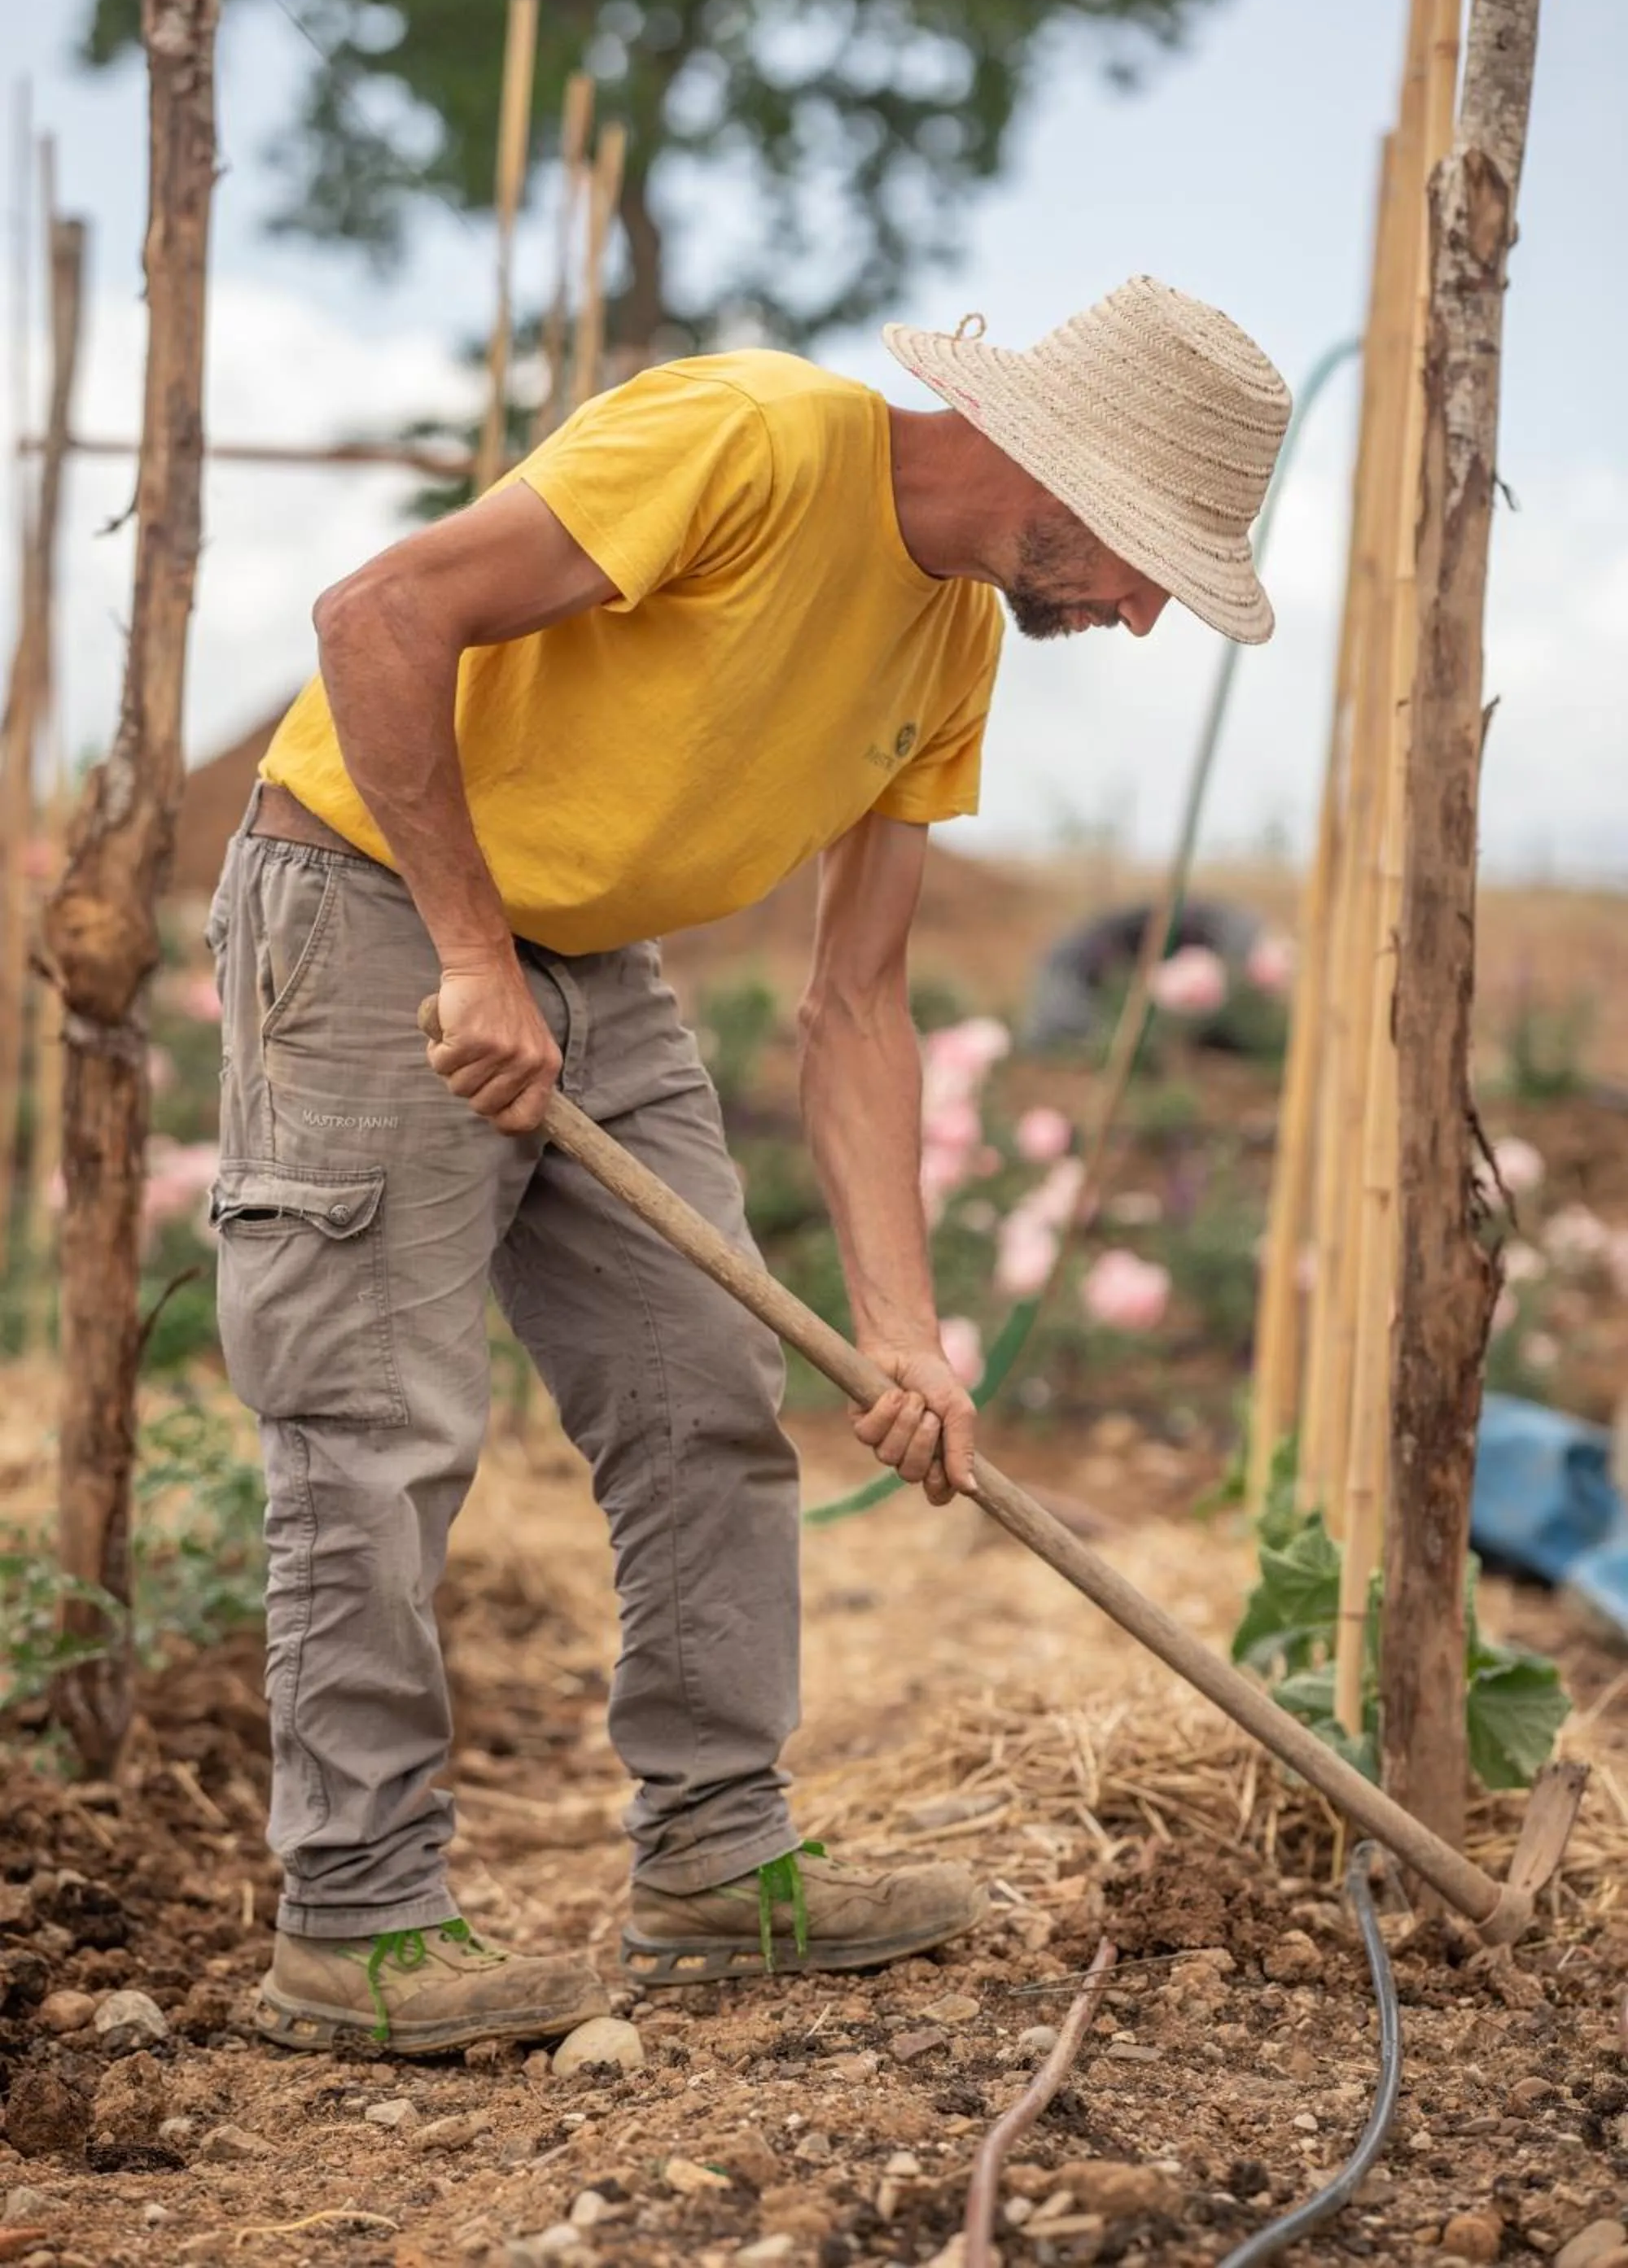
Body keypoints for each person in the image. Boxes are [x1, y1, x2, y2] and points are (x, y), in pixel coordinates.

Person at [207, 277, 1289, 2056]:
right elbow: (377, 614)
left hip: (598, 966)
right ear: (1055, 467)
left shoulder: (949, 640)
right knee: (373, 1418)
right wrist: (473, 956)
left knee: (709, 1386)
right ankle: (355, 1915)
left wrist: (908, 1336)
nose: (1148, 613)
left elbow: (857, 1003)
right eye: (1150, 557)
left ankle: (716, 1856)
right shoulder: (750, 441)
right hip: (375, 892)